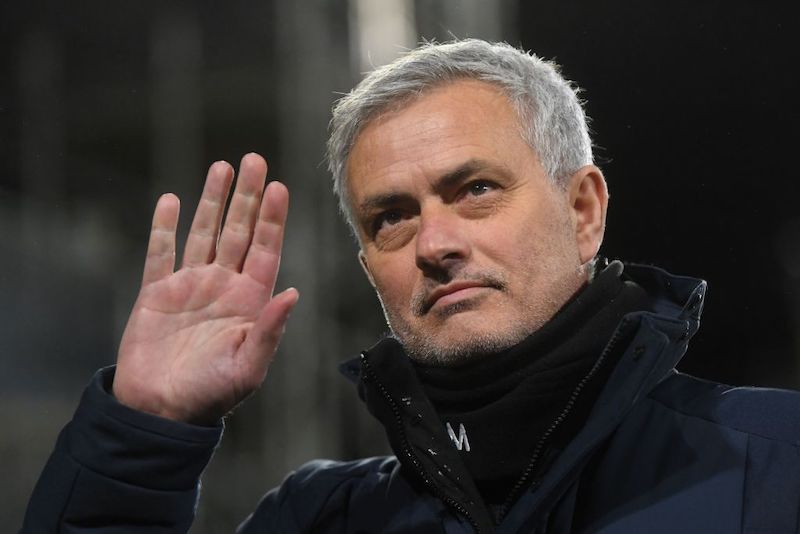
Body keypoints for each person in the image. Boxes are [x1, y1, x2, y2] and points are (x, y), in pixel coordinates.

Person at [22, 39, 800, 533]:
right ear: (367, 263)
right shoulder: (317, 520)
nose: (434, 244)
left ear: (583, 209)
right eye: (391, 216)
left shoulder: (778, 463)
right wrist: (138, 438)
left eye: (475, 189)